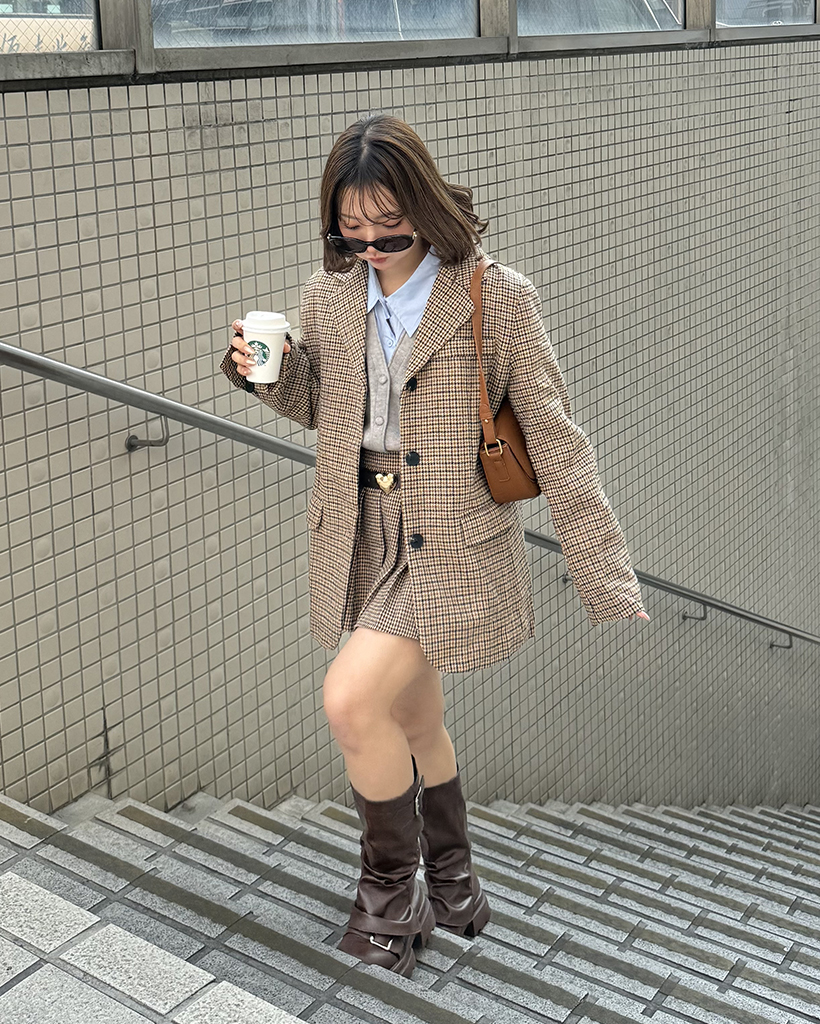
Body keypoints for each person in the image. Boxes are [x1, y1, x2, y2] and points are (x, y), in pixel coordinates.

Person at [220, 113, 648, 978]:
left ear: (424, 206)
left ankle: (391, 900)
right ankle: (455, 884)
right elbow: (323, 408)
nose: (372, 247)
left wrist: (604, 574)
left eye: (390, 228)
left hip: (450, 544)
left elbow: (556, 441)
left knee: (350, 702)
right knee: (413, 717)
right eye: (352, 229)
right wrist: (265, 376)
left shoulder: (496, 297)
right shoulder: (329, 297)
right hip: (363, 533)